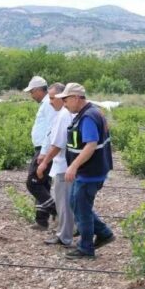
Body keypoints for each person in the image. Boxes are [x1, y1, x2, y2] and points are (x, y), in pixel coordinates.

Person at [56, 83, 116, 259]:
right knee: (77, 204)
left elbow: (90, 145)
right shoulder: (90, 113)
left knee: (81, 207)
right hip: (89, 171)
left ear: (76, 98)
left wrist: (73, 166)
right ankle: (104, 233)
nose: (64, 104)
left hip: (90, 172)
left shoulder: (88, 117)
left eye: (66, 100)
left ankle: (86, 248)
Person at [36, 83, 74, 247]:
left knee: (63, 203)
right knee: (69, 201)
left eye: (53, 98)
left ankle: (64, 236)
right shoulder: (65, 113)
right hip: (65, 164)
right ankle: (74, 229)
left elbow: (57, 143)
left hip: (63, 165)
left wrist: (44, 162)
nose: (50, 102)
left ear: (61, 97)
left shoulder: (63, 115)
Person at [24, 76, 57, 230]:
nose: (31, 95)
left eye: (32, 92)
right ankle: (41, 220)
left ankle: (57, 211)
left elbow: (51, 130)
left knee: (33, 182)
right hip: (43, 148)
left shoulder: (48, 104)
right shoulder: (46, 104)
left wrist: (44, 153)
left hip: (45, 149)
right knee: (42, 183)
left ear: (38, 90)